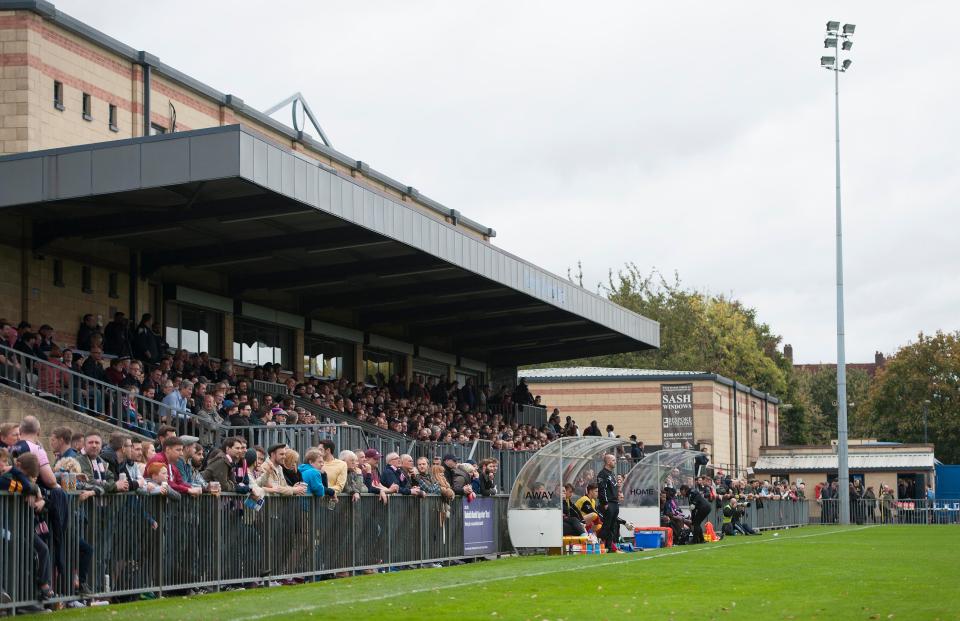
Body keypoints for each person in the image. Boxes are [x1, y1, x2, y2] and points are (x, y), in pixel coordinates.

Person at [596, 453, 621, 552]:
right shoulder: (603, 474)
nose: (615, 462)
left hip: (615, 503)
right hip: (608, 503)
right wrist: (605, 503)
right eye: (613, 460)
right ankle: (598, 542)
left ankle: (610, 547)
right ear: (608, 461)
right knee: (607, 525)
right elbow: (602, 490)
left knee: (612, 525)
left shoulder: (612, 474)